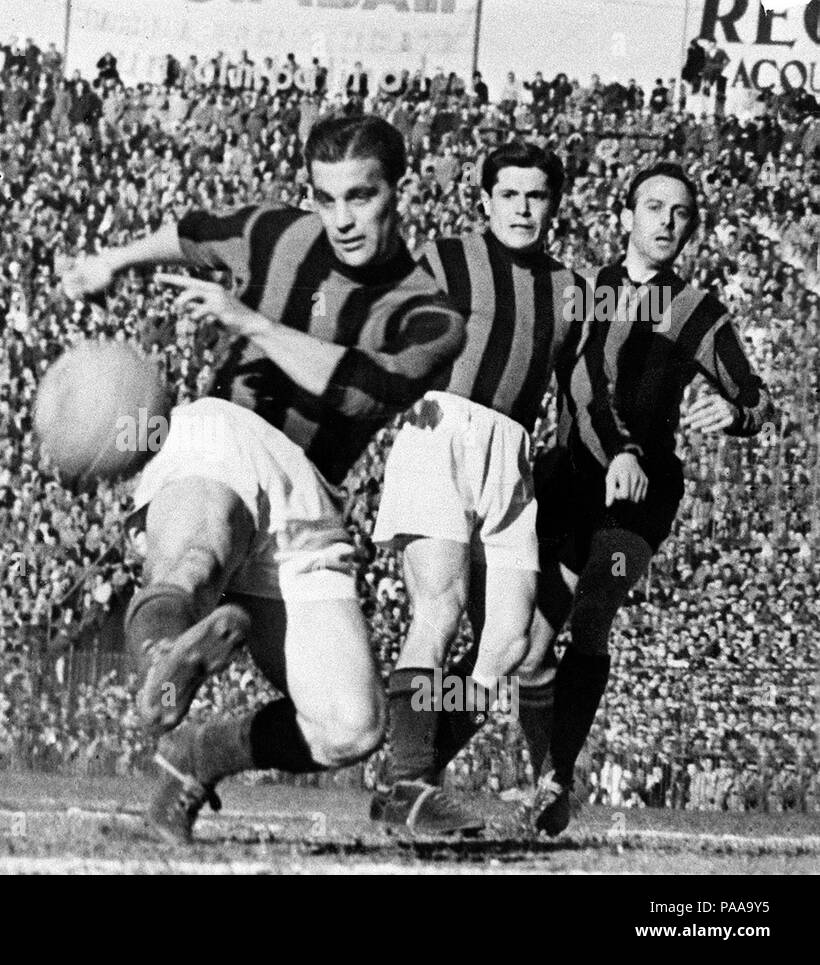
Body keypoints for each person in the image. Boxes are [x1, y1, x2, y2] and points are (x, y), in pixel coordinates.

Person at [61, 113, 466, 843]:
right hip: (223, 432)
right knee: (198, 552)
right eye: (325, 197)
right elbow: (189, 231)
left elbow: (358, 391)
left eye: (360, 197)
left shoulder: (429, 315)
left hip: (310, 495)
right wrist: (112, 261)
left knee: (352, 725)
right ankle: (164, 663)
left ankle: (198, 754)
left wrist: (251, 323)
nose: (340, 218)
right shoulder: (277, 233)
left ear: (397, 190)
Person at [517, 162, 774, 834]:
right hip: (572, 475)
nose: (666, 221)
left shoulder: (698, 312)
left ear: (693, 227)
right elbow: (575, 381)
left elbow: (755, 396)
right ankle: (545, 777)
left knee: (595, 608)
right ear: (624, 215)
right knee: (533, 638)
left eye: (681, 211)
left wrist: (736, 413)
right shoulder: (586, 291)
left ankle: (554, 777)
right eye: (653, 206)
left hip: (644, 492)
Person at [368, 142, 596, 835]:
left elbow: (578, 393)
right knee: (441, 607)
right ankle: (409, 781)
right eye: (511, 195)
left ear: (554, 204)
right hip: (441, 428)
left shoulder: (570, 288)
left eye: (538, 196)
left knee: (508, 637)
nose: (524, 208)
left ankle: (412, 777)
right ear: (487, 199)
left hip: (513, 453)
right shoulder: (444, 258)